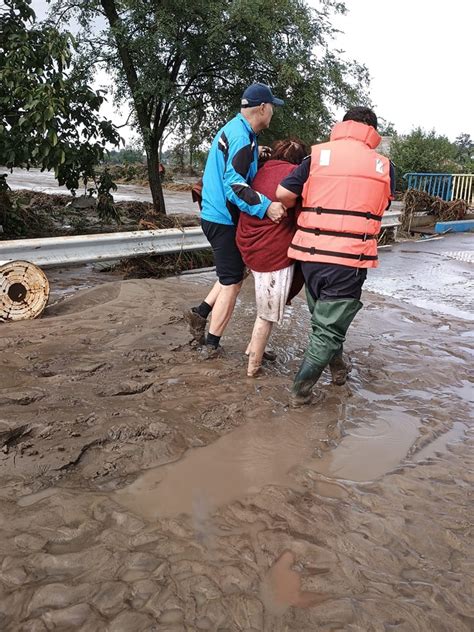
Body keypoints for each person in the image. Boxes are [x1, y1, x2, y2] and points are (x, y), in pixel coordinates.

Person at [276, 107, 395, 407]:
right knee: (328, 328)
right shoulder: (384, 166)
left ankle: (338, 370)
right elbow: (385, 201)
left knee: (324, 321)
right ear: (372, 130)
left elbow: (283, 194)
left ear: (343, 126)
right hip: (349, 259)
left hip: (311, 256)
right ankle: (299, 392)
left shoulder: (315, 157)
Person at [185, 83, 286, 355]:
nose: (272, 114)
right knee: (232, 283)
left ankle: (200, 312)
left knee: (233, 272)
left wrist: (258, 153)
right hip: (223, 219)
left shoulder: (239, 130)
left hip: (214, 214)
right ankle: (211, 344)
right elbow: (234, 185)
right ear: (263, 108)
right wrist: (266, 207)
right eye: (272, 108)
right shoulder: (242, 138)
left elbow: (236, 162)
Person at [236, 139, 308, 376]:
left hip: (247, 245)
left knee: (264, 304)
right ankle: (252, 368)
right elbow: (301, 216)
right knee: (266, 314)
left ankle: (253, 349)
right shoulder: (294, 177)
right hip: (271, 252)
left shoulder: (259, 170)